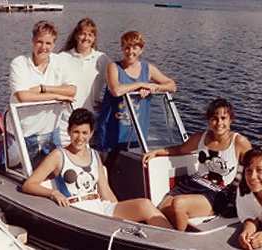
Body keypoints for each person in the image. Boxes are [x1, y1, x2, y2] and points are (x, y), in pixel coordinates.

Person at [22, 108, 173, 229]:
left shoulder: (94, 155)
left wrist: (118, 213)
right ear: (68, 131)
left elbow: (105, 191)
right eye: (76, 132)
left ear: (91, 134)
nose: (80, 138)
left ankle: (174, 242)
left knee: (144, 205)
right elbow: (29, 185)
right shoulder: (58, 155)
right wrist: (53, 193)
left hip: (100, 206)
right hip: (78, 211)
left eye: (85, 133)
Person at [141, 98, 252, 231]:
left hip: (217, 192)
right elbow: (179, 150)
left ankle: (178, 239)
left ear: (230, 121)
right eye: (215, 118)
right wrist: (156, 152)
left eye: (223, 118)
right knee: (162, 209)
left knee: (178, 204)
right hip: (192, 184)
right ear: (209, 120)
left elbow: (252, 166)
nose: (219, 123)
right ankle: (172, 236)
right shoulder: (201, 137)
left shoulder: (239, 141)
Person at [95, 30, 176, 153]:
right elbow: (116, 90)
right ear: (122, 48)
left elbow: (172, 85)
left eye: (135, 48)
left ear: (141, 50)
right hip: (111, 132)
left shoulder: (147, 68)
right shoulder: (114, 67)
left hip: (137, 133)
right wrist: (141, 84)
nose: (130, 52)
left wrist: (154, 87)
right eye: (127, 48)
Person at [7, 20, 76, 158]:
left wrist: (42, 88)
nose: (43, 47)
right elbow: (23, 97)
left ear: (54, 44)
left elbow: (72, 90)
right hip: (21, 133)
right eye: (39, 42)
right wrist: (56, 96)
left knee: (55, 177)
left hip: (51, 132)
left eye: (48, 43)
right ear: (33, 40)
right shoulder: (19, 63)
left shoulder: (60, 62)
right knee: (8, 177)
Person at [58, 18, 111, 144]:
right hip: (65, 122)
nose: (86, 38)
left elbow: (116, 85)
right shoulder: (61, 58)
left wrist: (105, 104)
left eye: (90, 35)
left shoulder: (102, 59)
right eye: (83, 34)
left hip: (92, 122)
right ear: (76, 35)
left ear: (94, 38)